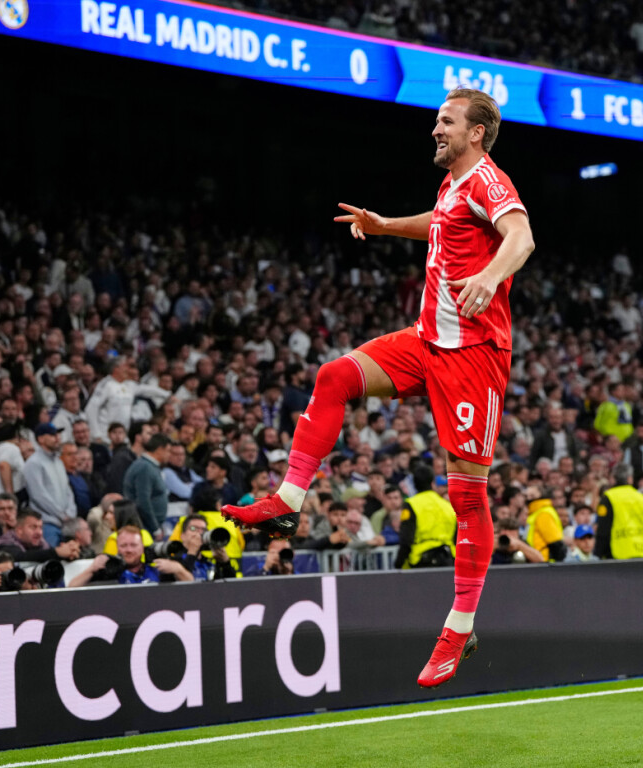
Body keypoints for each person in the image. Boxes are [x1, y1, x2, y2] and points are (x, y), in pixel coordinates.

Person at [223, 88, 534, 688]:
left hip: (473, 356)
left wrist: (490, 276)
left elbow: (520, 238)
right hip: (427, 340)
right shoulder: (453, 185)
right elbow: (442, 226)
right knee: (335, 375)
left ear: (476, 133)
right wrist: (385, 224)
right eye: (437, 120)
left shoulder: (491, 181)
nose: (435, 129)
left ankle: (460, 627)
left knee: (467, 496)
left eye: (447, 121)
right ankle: (287, 502)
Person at [69, 525, 190, 586]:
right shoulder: (108, 572)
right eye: (124, 545)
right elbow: (71, 588)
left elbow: (191, 587)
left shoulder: (158, 570)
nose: (129, 550)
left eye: (133, 545)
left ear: (142, 547)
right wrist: (91, 569)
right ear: (118, 548)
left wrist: (178, 569)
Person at [22, 423, 77, 547]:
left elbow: (67, 490)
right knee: (52, 555)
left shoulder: (58, 462)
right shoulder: (33, 463)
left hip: (66, 523)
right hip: (47, 523)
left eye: (58, 434)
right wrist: (61, 514)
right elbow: (38, 495)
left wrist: (71, 512)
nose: (57, 438)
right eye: (52, 435)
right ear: (41, 439)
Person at [394, 466, 458, 570]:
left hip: (421, 563)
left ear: (414, 484)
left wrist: (398, 563)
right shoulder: (448, 506)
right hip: (448, 560)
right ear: (432, 483)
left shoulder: (411, 505)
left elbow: (406, 539)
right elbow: (457, 538)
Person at [593, 464, 643, 560]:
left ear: (613, 479)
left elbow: (603, 528)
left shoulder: (607, 498)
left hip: (617, 553)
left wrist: (598, 553)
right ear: (630, 479)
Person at [122, 433, 171, 536]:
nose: (169, 455)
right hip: (144, 527)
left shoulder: (149, 466)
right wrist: (155, 528)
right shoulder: (145, 468)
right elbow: (143, 501)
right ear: (159, 449)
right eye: (168, 451)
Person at [0, 507, 80, 563]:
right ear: (19, 530)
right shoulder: (5, 544)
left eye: (40, 527)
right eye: (33, 527)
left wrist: (69, 552)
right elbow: (21, 557)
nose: (39, 532)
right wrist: (56, 553)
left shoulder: (42, 544)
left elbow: (46, 554)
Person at [523, 487, 567, 562]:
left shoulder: (543, 513)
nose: (528, 498)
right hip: (536, 559)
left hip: (544, 561)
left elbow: (555, 542)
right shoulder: (536, 512)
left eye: (532, 495)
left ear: (541, 495)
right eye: (526, 496)